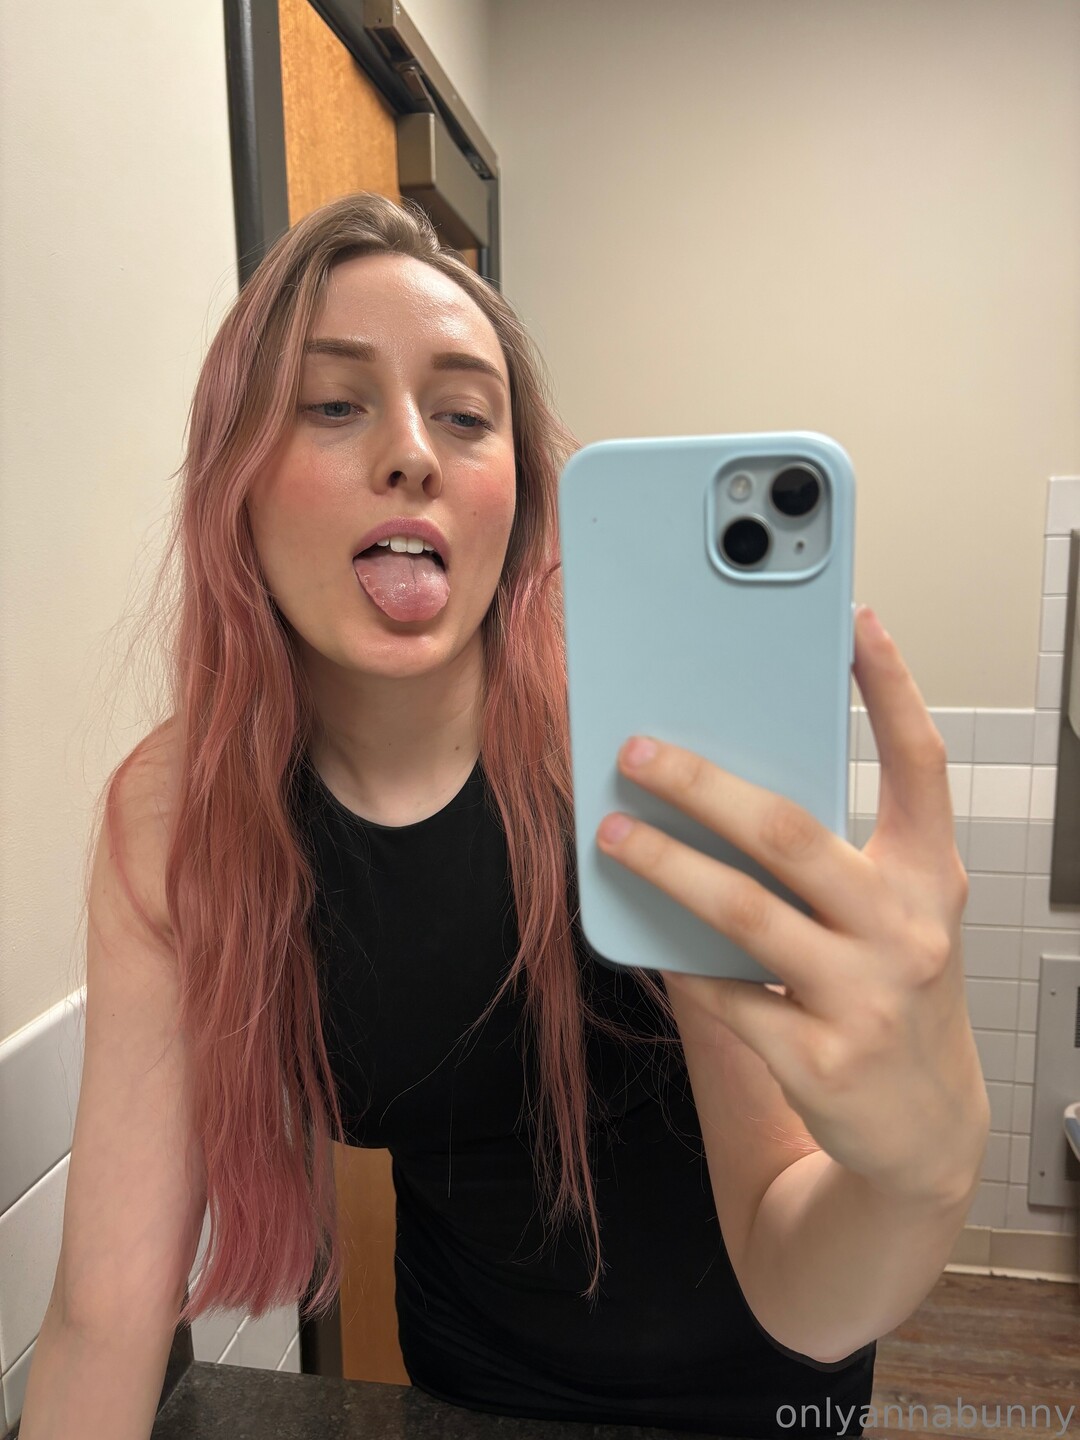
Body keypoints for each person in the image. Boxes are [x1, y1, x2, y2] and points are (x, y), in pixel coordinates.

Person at [19, 192, 990, 1440]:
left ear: (518, 497)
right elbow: (105, 1313)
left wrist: (923, 1175)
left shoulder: (635, 748)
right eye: (334, 404)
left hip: (760, 1392)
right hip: (465, 1395)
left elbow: (800, 1268)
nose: (411, 452)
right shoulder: (178, 818)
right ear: (235, 484)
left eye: (466, 415)